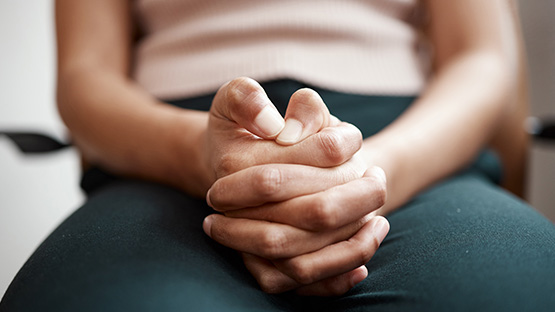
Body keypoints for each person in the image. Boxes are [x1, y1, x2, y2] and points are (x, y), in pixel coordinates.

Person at [1, 0, 554, 311]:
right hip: (168, 157)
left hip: (410, 148)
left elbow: (481, 59)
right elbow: (85, 79)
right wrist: (201, 155)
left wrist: (365, 175)